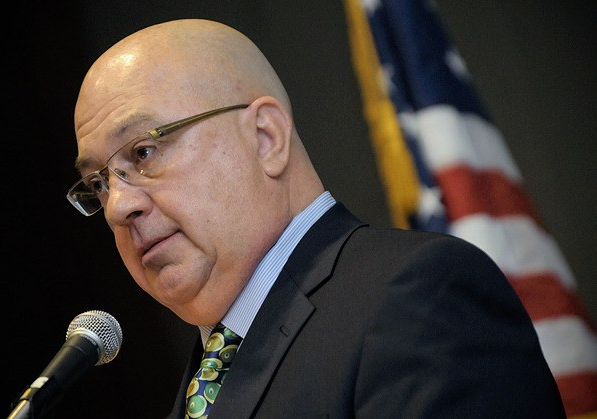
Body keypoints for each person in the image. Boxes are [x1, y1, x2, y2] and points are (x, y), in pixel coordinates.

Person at [67, 19, 565, 418]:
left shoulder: (419, 298)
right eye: (100, 182)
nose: (117, 205)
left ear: (266, 139)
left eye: (144, 151)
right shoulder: (208, 374)